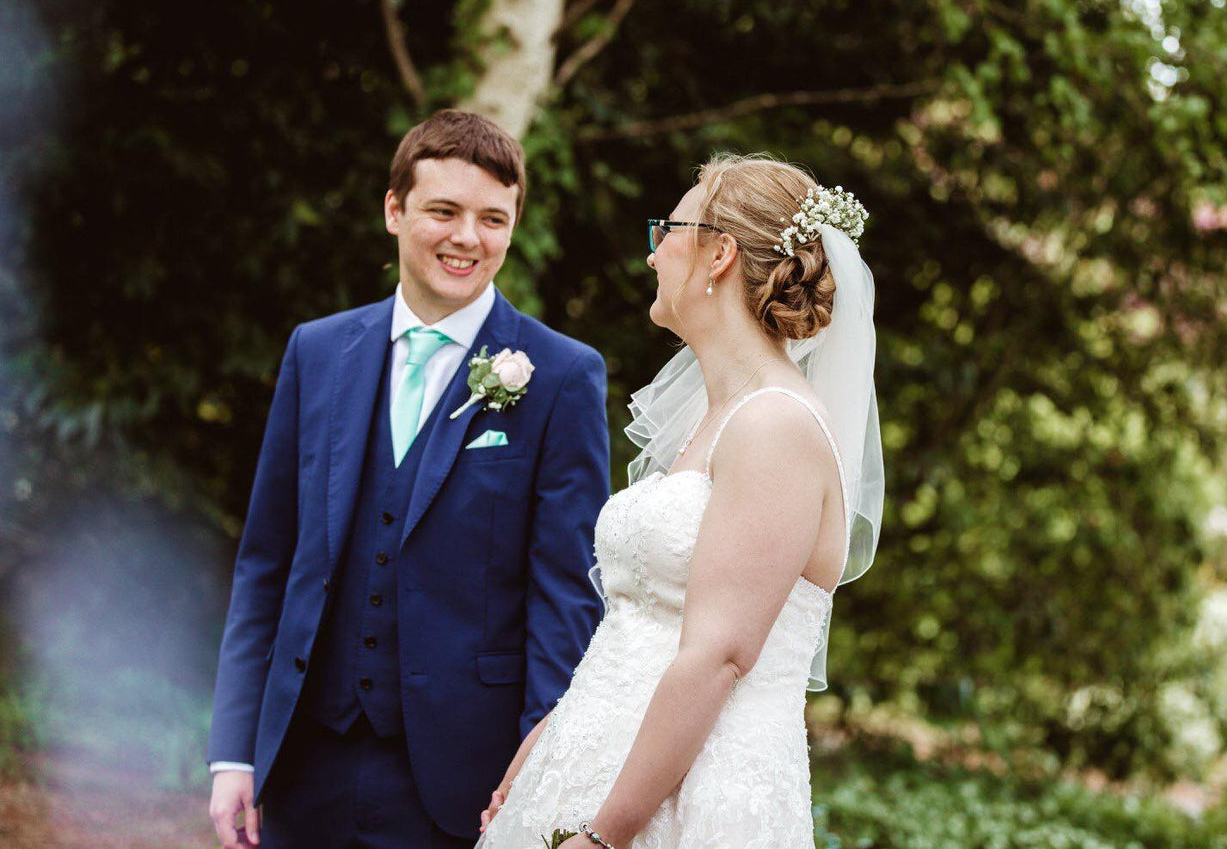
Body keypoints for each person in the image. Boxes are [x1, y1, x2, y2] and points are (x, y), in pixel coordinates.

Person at [206, 110, 610, 848]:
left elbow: (565, 596)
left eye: (493, 218)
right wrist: (235, 750)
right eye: (444, 211)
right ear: (394, 210)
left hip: (464, 781)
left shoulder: (559, 375)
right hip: (302, 767)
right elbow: (266, 560)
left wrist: (539, 771)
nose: (467, 238)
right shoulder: (318, 351)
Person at [475, 153, 883, 849]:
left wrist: (604, 834)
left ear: (719, 252)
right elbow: (636, 624)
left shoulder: (775, 425)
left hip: (687, 800)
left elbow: (719, 652)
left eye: (669, 228)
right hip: (597, 764)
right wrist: (546, 740)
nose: (652, 252)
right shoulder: (710, 419)